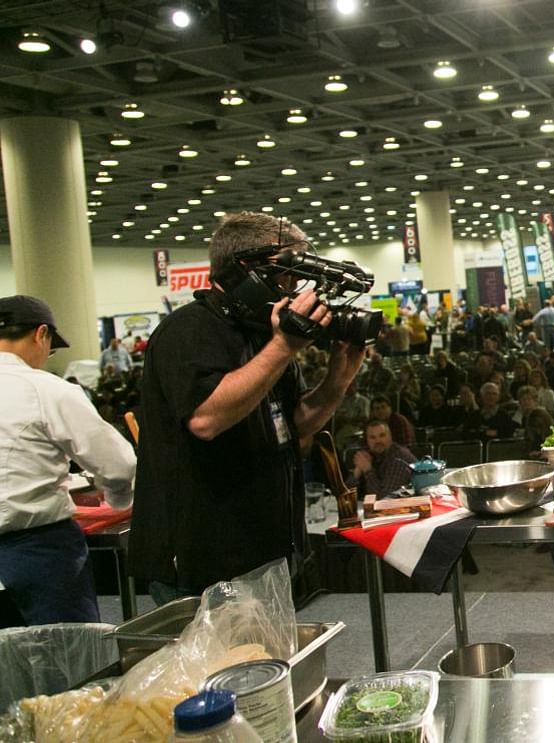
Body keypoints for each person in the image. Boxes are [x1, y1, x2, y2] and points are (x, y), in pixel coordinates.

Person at [131, 212, 366, 603]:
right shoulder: (188, 331)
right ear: (247, 271)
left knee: (272, 662)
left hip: (265, 548)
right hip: (203, 559)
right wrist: (283, 346)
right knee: (221, 665)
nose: (292, 287)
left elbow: (295, 424)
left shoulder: (262, 333)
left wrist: (337, 380)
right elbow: (206, 419)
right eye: (285, 274)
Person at [0, 296, 137, 627]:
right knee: (67, 661)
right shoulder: (46, 389)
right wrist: (118, 499)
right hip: (38, 550)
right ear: (41, 334)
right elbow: (119, 464)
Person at [351, 419, 416, 497]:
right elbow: (345, 495)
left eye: (382, 435)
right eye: (372, 437)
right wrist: (357, 472)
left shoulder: (399, 458)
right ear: (367, 441)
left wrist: (367, 470)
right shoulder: (369, 455)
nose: (378, 441)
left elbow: (383, 498)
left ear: (390, 437)